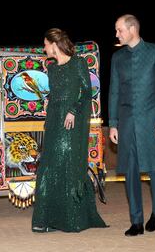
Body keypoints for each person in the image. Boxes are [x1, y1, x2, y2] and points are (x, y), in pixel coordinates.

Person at [31, 28, 107, 232]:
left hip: (72, 123)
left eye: (45, 43)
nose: (44, 47)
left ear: (54, 44)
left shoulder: (79, 63)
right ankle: (45, 220)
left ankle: (73, 218)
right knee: (48, 168)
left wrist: (72, 110)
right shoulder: (52, 68)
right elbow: (55, 95)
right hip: (55, 121)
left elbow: (86, 91)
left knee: (69, 167)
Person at [108, 14, 155, 236]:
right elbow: (114, 91)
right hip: (126, 123)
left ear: (133, 29)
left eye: (119, 30)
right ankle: (136, 221)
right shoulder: (117, 58)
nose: (117, 34)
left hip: (152, 120)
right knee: (130, 171)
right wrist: (113, 123)